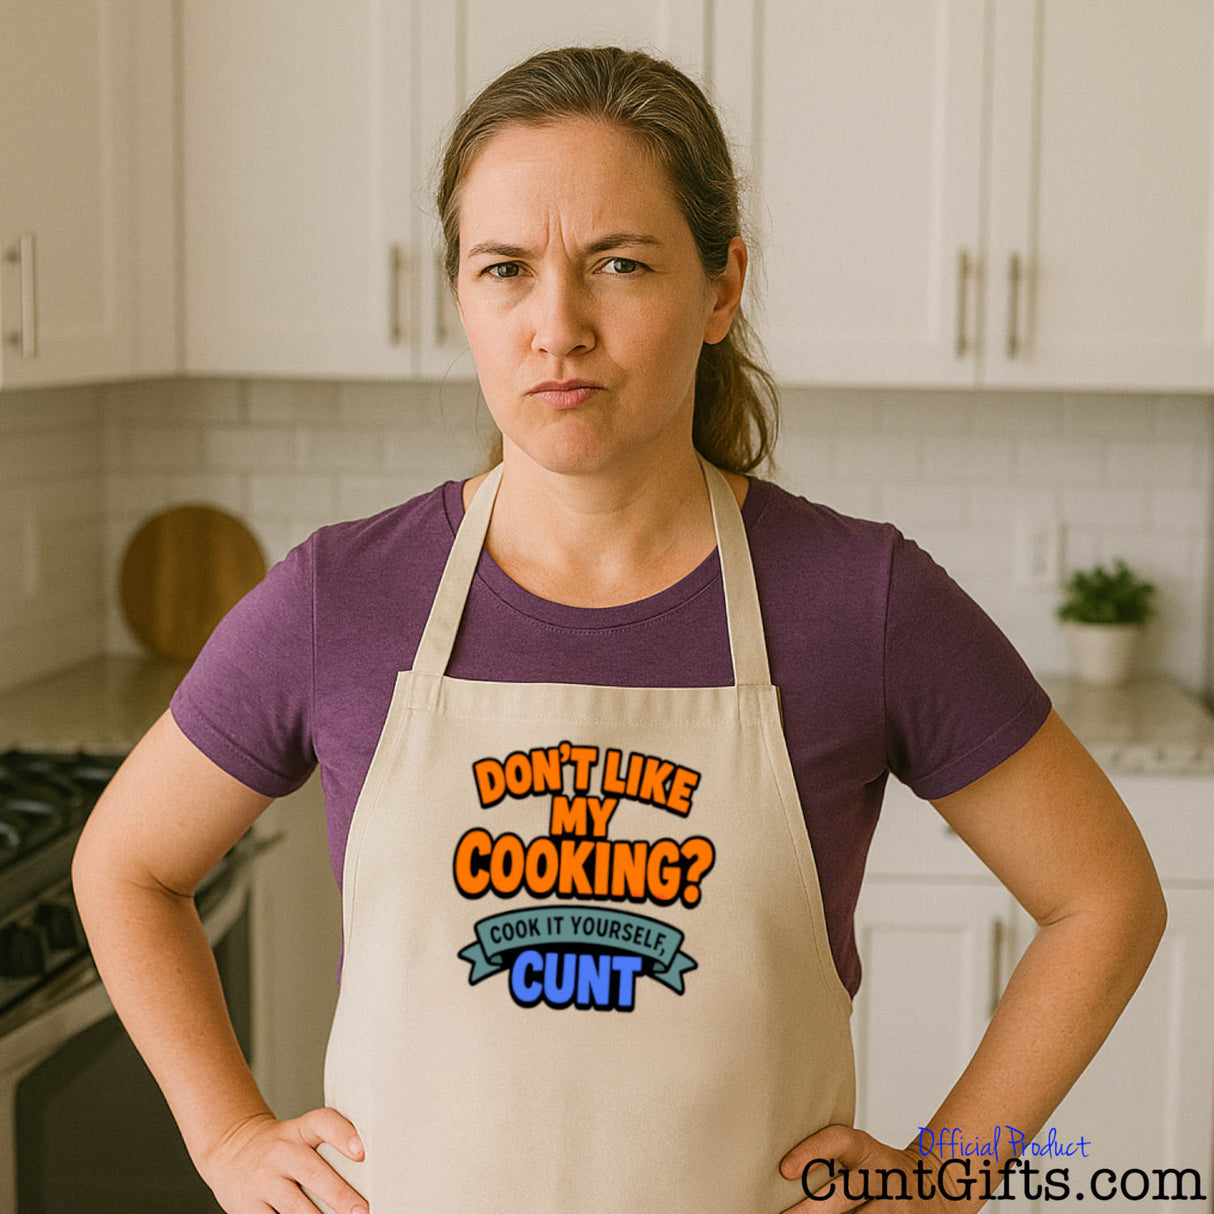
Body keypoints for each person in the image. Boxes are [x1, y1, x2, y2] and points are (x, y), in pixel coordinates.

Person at [71, 44, 1166, 1214]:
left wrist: (947, 1177)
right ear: (460, 295)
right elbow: (125, 864)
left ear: (720, 287)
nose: (558, 325)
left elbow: (1103, 896)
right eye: (504, 268)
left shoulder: (860, 599)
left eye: (619, 263)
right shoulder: (342, 594)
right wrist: (226, 1130)